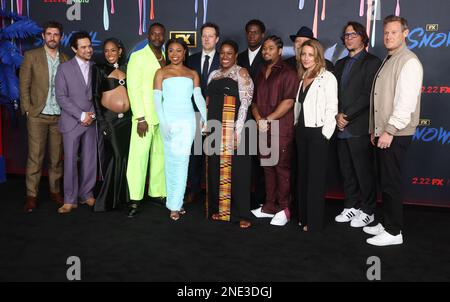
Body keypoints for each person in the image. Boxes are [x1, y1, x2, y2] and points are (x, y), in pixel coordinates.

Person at [365, 15, 423, 246]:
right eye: (386, 32)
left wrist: (388, 130)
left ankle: (394, 232)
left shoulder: (408, 61)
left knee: (391, 182)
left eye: (394, 32)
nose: (388, 36)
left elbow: (405, 103)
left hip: (396, 133)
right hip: (385, 131)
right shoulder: (390, 59)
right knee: (384, 180)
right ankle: (387, 222)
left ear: (405, 33)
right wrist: (375, 129)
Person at [153, 38, 206, 221]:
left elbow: (198, 98)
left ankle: (176, 204)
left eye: (178, 51)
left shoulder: (192, 73)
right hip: (169, 121)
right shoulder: (161, 72)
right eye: (171, 51)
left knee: (183, 162)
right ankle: (173, 202)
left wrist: (205, 118)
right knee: (170, 162)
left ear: (185, 53)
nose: (174, 54)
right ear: (167, 54)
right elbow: (157, 102)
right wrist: (163, 122)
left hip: (187, 121)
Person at [334, 22, 381, 227]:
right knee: (347, 170)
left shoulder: (372, 61)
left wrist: (346, 115)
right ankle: (351, 205)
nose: (349, 38)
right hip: (340, 126)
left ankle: (368, 209)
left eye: (353, 34)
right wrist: (336, 115)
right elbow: (333, 94)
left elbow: (367, 94)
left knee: (363, 171)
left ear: (363, 37)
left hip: (359, 126)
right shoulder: (340, 64)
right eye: (346, 35)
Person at [20, 21, 69, 212]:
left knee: (56, 158)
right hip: (37, 115)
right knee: (35, 157)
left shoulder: (65, 59)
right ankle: (31, 195)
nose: (52, 37)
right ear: (43, 36)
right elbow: (24, 85)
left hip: (59, 116)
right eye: (49, 34)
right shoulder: (31, 56)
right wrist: (27, 109)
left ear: (61, 37)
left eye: (56, 34)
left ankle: (55, 191)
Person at [251, 36, 299, 226]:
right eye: (264, 49)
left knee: (281, 169)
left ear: (279, 51)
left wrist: (267, 120)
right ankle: (270, 206)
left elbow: (288, 102)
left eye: (270, 48)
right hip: (263, 128)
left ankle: (284, 209)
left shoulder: (288, 72)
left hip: (281, 129)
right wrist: (258, 119)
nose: (266, 52)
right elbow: (253, 101)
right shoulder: (261, 71)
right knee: (267, 168)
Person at [206, 40, 254, 228]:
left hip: (235, 128)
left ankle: (242, 214)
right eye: (222, 53)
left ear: (235, 55)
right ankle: (221, 210)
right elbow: (208, 101)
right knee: (217, 168)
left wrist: (238, 131)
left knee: (239, 172)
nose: (225, 57)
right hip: (215, 127)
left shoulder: (242, 73)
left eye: (229, 53)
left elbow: (246, 103)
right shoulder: (214, 74)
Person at [294, 39, 338, 232]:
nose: (306, 58)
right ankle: (303, 217)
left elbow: (332, 107)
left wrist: (325, 134)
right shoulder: (303, 76)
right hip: (302, 132)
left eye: (310, 54)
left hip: (318, 133)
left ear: (318, 56)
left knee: (315, 178)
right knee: (302, 176)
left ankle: (314, 222)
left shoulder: (328, 78)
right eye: (303, 54)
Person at [126, 22, 167, 218]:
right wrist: (140, 117)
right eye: (154, 34)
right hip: (144, 118)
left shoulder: (166, 57)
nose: (157, 37)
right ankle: (135, 198)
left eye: (160, 35)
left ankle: (157, 192)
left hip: (163, 117)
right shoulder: (137, 57)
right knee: (138, 159)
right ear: (148, 35)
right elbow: (133, 89)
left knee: (160, 157)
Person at [55, 31, 96, 213]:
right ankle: (69, 199)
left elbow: (98, 96)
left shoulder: (96, 67)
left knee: (89, 160)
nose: (88, 50)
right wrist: (81, 115)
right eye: (83, 47)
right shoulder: (64, 68)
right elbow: (61, 97)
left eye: (89, 46)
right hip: (72, 121)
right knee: (70, 161)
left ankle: (86, 194)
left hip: (92, 121)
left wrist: (92, 115)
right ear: (74, 49)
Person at [92, 38, 131, 212]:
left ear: (120, 51)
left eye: (113, 50)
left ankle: (122, 197)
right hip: (110, 119)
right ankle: (106, 200)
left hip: (127, 120)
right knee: (115, 156)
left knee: (124, 157)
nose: (109, 54)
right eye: (106, 51)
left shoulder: (127, 69)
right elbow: (94, 96)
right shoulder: (99, 69)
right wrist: (101, 122)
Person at [185, 22, 221, 205]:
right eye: (204, 36)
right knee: (195, 155)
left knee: (214, 156)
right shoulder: (191, 60)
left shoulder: (224, 60)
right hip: (195, 115)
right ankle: (194, 189)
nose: (206, 39)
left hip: (216, 115)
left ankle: (214, 193)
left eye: (210, 36)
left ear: (217, 39)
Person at [237, 19, 266, 210]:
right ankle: (243, 196)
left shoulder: (268, 56)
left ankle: (261, 198)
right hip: (242, 114)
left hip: (263, 114)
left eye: (255, 32)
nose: (252, 36)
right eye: (249, 32)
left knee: (262, 159)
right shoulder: (238, 57)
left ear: (262, 35)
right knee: (243, 158)